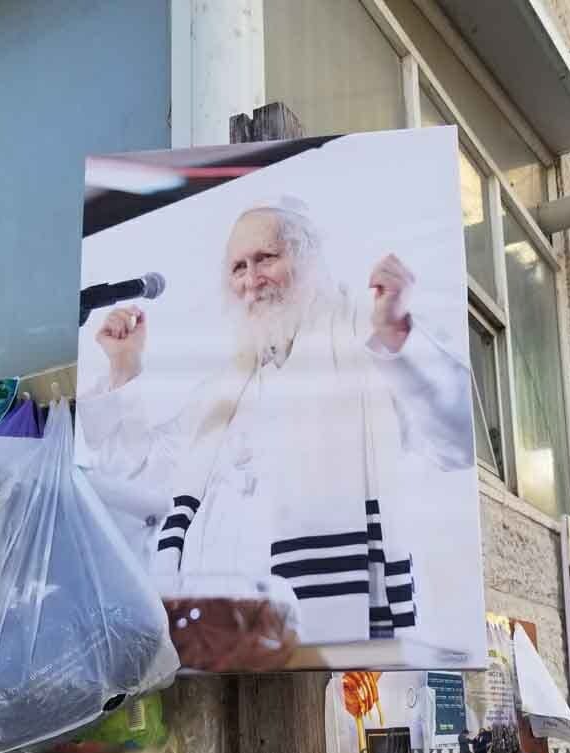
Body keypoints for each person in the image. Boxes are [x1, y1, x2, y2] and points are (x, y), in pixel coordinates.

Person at [78, 197, 474, 646]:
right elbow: (140, 474)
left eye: (265, 258)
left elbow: (456, 442)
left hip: (324, 639)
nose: (251, 280)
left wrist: (399, 336)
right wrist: (124, 367)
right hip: (217, 642)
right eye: (238, 267)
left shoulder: (364, 348)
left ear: (307, 261)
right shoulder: (223, 388)